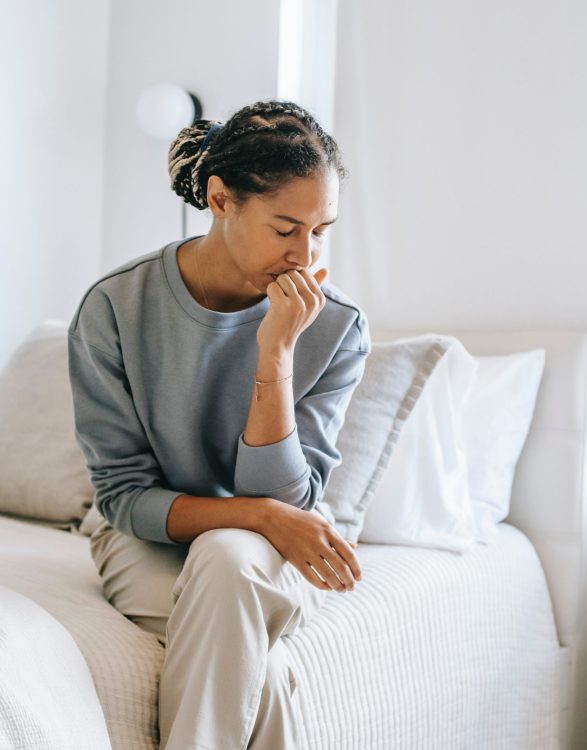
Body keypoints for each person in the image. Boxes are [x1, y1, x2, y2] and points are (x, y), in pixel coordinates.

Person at [67, 99, 371, 750]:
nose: (305, 255)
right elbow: (122, 496)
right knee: (262, 662)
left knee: (229, 564)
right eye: (286, 227)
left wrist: (276, 353)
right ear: (220, 199)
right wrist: (255, 516)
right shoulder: (116, 308)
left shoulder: (337, 327)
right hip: (150, 536)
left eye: (322, 230)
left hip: (280, 546)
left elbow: (289, 499)